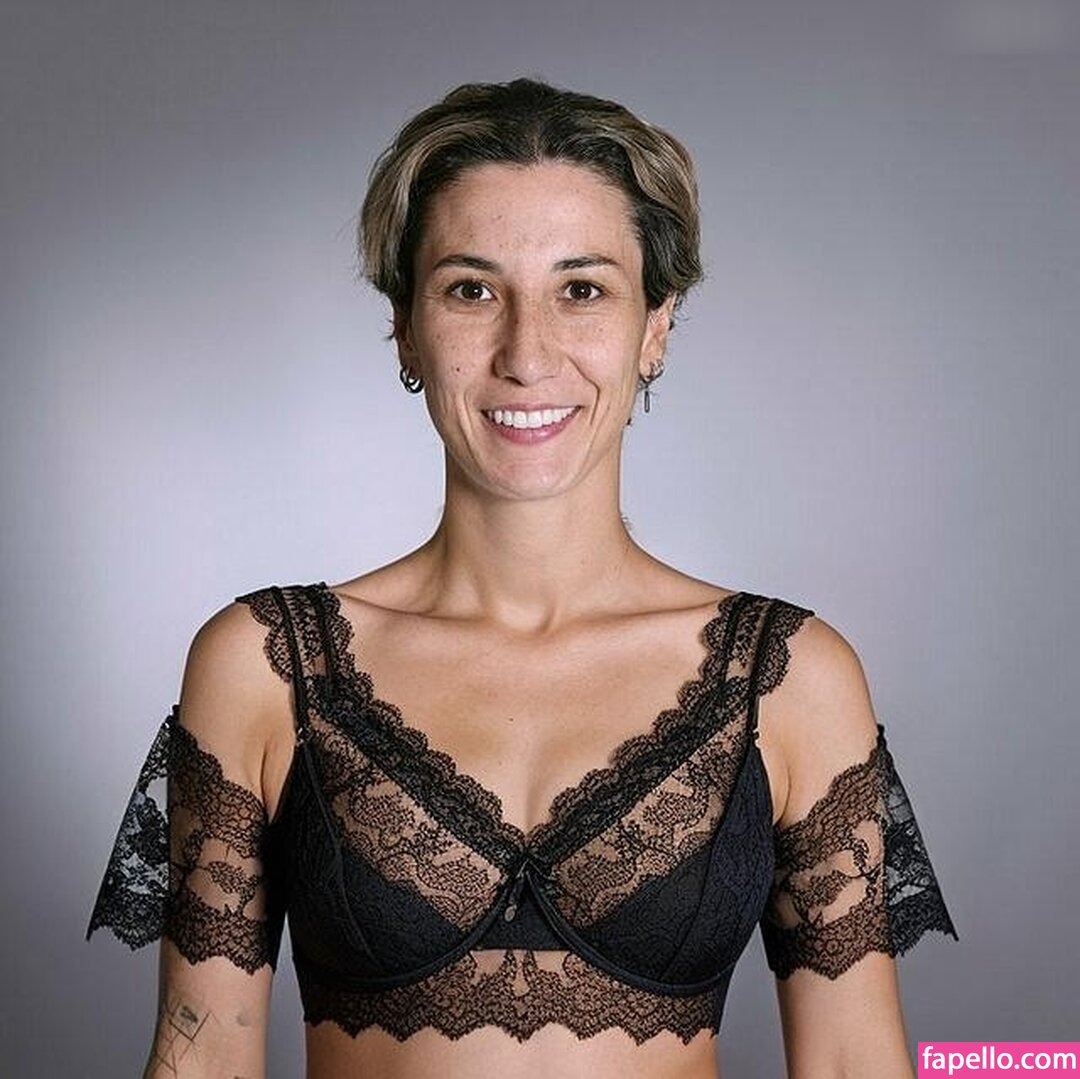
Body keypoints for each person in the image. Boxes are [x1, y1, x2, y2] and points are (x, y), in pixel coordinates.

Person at [88, 78, 956, 1079]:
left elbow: (854, 1059)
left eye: (581, 290)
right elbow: (199, 1061)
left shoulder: (793, 677)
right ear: (406, 327)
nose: (526, 353)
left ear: (655, 327)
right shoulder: (266, 664)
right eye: (471, 289)